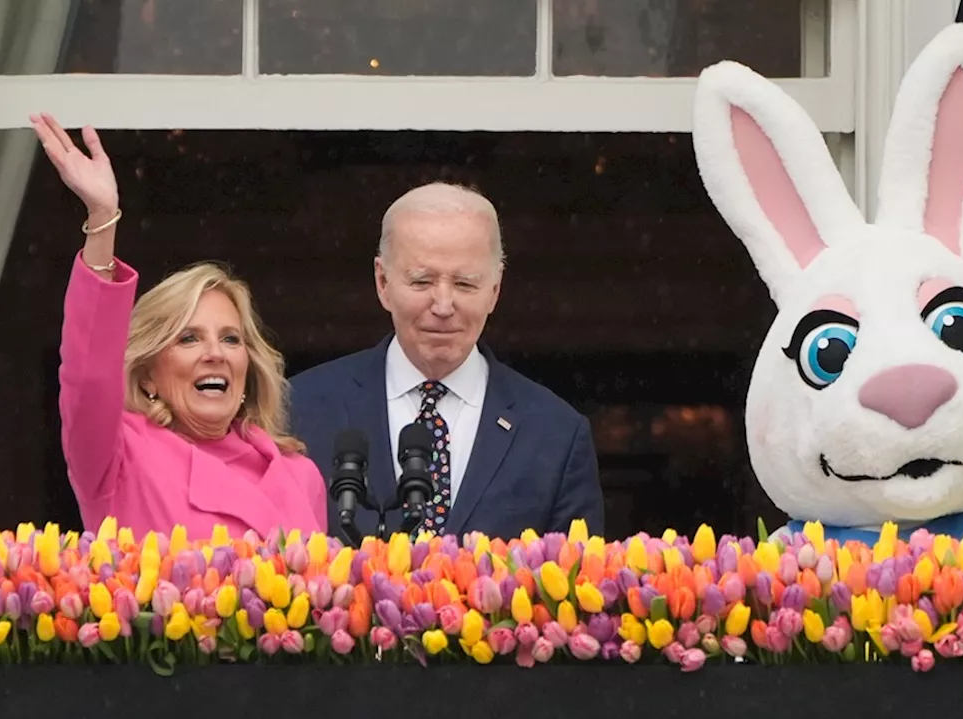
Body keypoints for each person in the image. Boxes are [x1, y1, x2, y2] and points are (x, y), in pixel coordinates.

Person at [32, 112, 326, 539]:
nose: (215, 353)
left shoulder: (300, 477)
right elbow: (89, 373)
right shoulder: (121, 457)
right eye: (189, 338)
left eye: (231, 338)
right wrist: (102, 219)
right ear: (148, 372)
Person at [288, 182, 604, 541]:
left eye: (465, 284)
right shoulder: (300, 410)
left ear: (495, 291)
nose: (442, 305)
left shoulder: (555, 435)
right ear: (382, 282)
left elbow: (581, 587)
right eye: (421, 281)